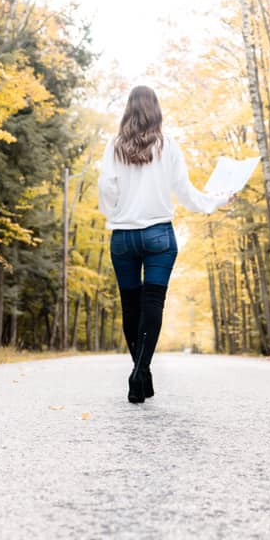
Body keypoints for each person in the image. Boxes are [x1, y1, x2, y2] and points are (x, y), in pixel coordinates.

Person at [98, 86, 233, 404]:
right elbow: (185, 192)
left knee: (130, 307)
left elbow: (106, 185)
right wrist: (218, 200)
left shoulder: (114, 146)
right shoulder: (167, 145)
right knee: (153, 305)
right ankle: (140, 371)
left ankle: (139, 372)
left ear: (129, 110)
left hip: (123, 237)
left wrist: (114, 213)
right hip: (159, 235)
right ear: (155, 110)